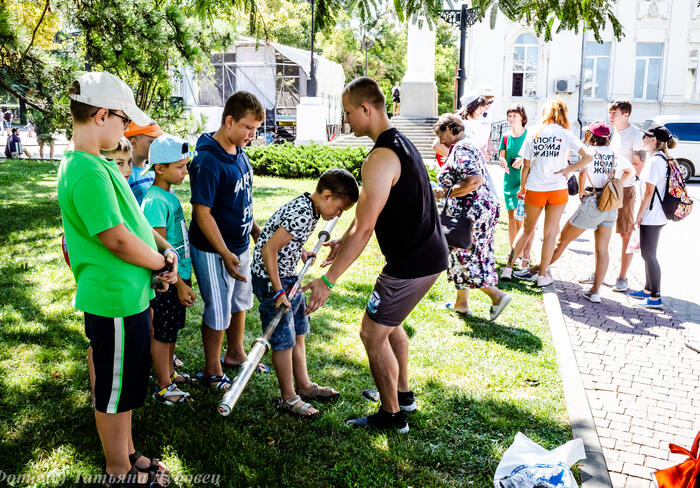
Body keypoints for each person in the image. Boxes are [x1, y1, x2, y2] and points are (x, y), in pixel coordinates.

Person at [303, 77, 449, 433]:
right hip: (425, 256)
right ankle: (403, 395)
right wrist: (342, 243)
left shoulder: (380, 157)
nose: (347, 119)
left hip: (411, 264)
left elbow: (365, 229)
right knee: (390, 324)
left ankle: (391, 415)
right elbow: (365, 218)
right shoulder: (399, 143)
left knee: (371, 333)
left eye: (348, 112)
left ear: (366, 109)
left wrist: (327, 281)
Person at [57, 71, 178, 486]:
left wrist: (164, 252)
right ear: (102, 114)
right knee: (112, 391)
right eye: (123, 121)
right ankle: (118, 470)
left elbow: (134, 226)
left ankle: (127, 452)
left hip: (128, 297)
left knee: (125, 387)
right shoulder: (87, 171)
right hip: (112, 301)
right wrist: (158, 265)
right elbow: (117, 240)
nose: (126, 130)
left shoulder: (99, 165)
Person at [251, 169, 359, 417]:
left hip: (288, 276)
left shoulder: (310, 208)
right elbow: (269, 250)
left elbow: (284, 238)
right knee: (283, 340)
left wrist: (300, 251)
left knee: (299, 330)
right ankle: (288, 397)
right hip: (272, 281)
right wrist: (278, 292)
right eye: (340, 209)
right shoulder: (302, 213)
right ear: (327, 196)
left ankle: (304, 386)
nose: (338, 215)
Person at [189, 91, 266, 391]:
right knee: (218, 309)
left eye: (256, 130)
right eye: (248, 128)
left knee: (239, 302)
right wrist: (223, 252)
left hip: (240, 245)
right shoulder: (208, 160)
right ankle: (212, 370)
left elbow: (240, 201)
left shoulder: (238, 151)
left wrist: (255, 231)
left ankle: (235, 354)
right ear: (229, 120)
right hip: (212, 250)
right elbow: (203, 214)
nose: (252, 135)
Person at [521, 121, 634, 302]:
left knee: (561, 241)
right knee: (602, 249)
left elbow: (582, 173)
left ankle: (535, 270)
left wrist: (581, 194)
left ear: (592, 136)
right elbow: (631, 170)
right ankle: (595, 292)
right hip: (610, 205)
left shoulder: (591, 152)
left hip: (592, 201)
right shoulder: (614, 154)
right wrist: (618, 182)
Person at [500, 98, 594, 287]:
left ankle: (509, 268)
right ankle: (542, 275)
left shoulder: (534, 132)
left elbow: (525, 165)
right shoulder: (565, 134)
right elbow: (588, 156)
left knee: (526, 229)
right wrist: (568, 170)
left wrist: (522, 187)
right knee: (550, 233)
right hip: (558, 189)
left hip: (535, 188)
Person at [432, 113, 512, 319]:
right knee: (463, 254)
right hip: (477, 211)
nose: (440, 140)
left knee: (467, 257)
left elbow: (474, 180)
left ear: (452, 129)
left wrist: (445, 192)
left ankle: (497, 296)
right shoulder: (467, 145)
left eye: (441, 134)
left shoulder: (461, 148)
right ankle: (461, 304)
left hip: (470, 214)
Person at [141, 134, 198, 405]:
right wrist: (179, 284)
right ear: (159, 168)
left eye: (185, 166)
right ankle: (163, 385)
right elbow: (160, 250)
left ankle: (170, 373)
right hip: (167, 280)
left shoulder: (169, 195)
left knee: (172, 329)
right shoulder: (154, 200)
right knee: (163, 332)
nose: (184, 172)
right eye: (179, 167)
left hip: (181, 275)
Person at [630, 124, 676, 309]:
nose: (642, 139)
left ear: (653, 140)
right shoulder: (661, 159)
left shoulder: (655, 161)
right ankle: (648, 289)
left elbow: (648, 192)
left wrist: (638, 215)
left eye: (645, 136)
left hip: (652, 214)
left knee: (649, 254)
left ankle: (655, 297)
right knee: (646, 253)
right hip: (656, 214)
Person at [602, 99, 645, 292]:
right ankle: (598, 273)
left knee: (625, 233)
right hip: (607, 187)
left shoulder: (635, 135)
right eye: (610, 113)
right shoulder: (612, 132)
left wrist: (620, 180)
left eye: (614, 113)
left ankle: (622, 277)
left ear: (626, 114)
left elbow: (638, 165)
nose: (611, 117)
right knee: (601, 229)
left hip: (625, 189)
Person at [498, 104, 534, 266]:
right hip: (509, 180)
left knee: (523, 220)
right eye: (509, 115)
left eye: (515, 115)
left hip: (525, 182)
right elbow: (501, 156)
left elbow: (536, 157)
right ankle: (513, 252)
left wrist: (523, 160)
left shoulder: (530, 135)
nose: (511, 118)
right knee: (512, 218)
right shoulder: (505, 137)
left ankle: (523, 254)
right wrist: (503, 161)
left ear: (522, 118)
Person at [124, 121, 164, 205]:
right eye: (152, 142)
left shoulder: (154, 170)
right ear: (133, 142)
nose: (157, 146)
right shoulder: (124, 173)